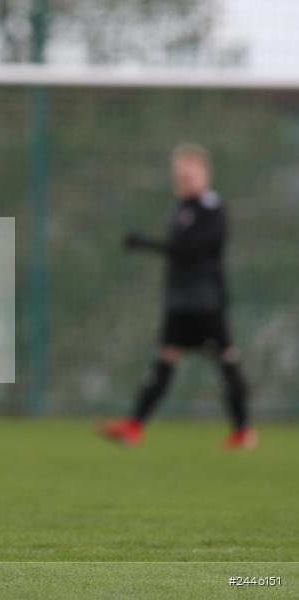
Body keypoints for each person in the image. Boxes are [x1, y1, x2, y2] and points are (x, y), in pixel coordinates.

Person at [99, 144, 255, 449]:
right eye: (179, 174)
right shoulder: (181, 209)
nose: (183, 179)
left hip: (206, 301)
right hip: (181, 301)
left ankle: (243, 432)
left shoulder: (212, 208)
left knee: (226, 360)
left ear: (204, 174)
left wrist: (147, 244)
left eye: (189, 174)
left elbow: (193, 250)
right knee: (163, 362)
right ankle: (133, 426)